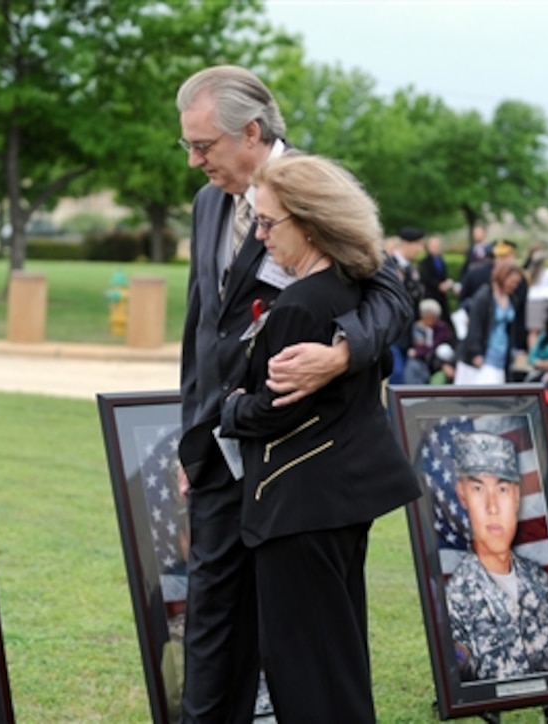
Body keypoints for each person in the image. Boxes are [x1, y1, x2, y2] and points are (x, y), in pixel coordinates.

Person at [174, 65, 412, 723]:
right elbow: (204, 326)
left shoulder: (311, 191)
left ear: (250, 132)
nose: (195, 162)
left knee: (305, 642)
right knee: (213, 622)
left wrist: (339, 353)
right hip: (222, 450)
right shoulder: (208, 205)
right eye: (187, 147)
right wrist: (191, 438)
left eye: (205, 146)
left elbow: (391, 296)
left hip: (300, 468)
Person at [218, 152, 421, 721]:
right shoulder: (350, 291)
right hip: (342, 497)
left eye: (267, 224)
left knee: (303, 669)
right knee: (336, 656)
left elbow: (272, 408)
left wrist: (231, 409)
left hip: (298, 506)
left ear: (310, 224)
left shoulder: (301, 306)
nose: (260, 237)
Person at [444, 431, 548, 681]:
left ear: (516, 495)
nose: (492, 506)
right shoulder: (455, 596)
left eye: (502, 488)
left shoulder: (541, 581)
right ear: (462, 495)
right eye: (478, 488)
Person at [454, 263, 524, 385]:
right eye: (512, 282)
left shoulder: (512, 299)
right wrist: (475, 353)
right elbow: (475, 325)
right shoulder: (484, 297)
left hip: (501, 355)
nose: (514, 286)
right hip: (484, 355)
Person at [387, 226, 426, 384]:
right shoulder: (389, 266)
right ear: (407, 244)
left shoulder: (411, 268)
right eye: (418, 244)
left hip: (406, 331)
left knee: (402, 376)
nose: (420, 249)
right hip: (392, 331)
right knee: (397, 374)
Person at [403, 298, 455, 385]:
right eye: (425, 315)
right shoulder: (418, 327)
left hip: (438, 363)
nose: (427, 318)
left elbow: (434, 348)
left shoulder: (443, 329)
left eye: (430, 316)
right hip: (421, 363)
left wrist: (418, 352)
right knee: (412, 366)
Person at [523, 244, 548, 352]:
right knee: (542, 331)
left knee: (533, 332)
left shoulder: (529, 273)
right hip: (545, 300)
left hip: (533, 301)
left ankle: (533, 355)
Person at [419, 234, 454, 325]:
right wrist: (438, 285)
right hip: (431, 295)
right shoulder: (425, 262)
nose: (436, 248)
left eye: (437, 246)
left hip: (442, 297)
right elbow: (426, 278)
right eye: (434, 246)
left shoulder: (441, 260)